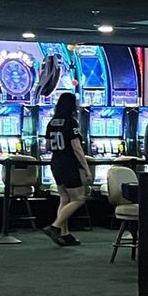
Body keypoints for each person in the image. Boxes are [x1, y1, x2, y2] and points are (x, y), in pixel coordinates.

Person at [41, 91, 94, 247]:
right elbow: (76, 147)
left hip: (56, 163)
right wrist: (86, 169)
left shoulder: (52, 122)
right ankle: (55, 227)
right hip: (69, 164)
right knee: (79, 199)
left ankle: (65, 234)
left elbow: (48, 146)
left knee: (65, 198)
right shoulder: (71, 122)